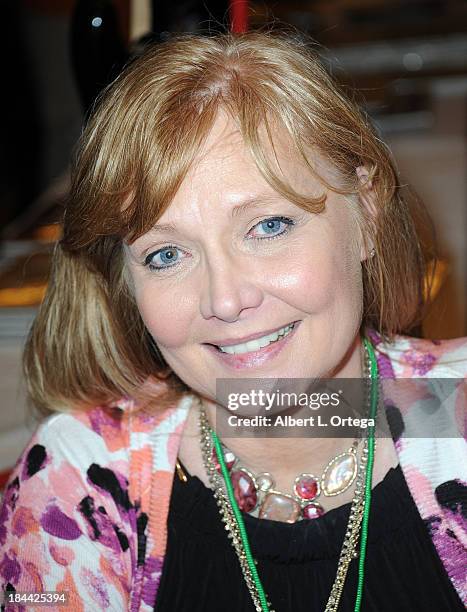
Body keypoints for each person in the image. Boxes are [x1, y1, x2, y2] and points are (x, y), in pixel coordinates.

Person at [0, 30, 466, 612]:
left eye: (269, 226)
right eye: (166, 254)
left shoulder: (457, 417)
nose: (224, 299)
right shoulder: (78, 482)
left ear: (366, 215)